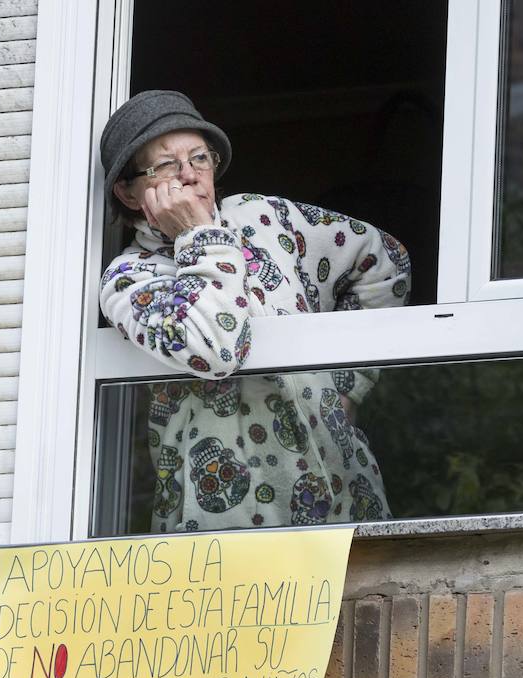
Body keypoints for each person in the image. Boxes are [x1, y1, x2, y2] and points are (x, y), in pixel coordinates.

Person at [99, 91, 411, 533]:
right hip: (224, 532)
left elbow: (385, 262)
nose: (190, 176)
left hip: (342, 496)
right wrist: (198, 235)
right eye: (167, 166)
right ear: (128, 193)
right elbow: (217, 349)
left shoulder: (264, 217)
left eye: (200, 158)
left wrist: (348, 387)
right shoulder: (130, 280)